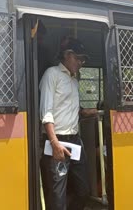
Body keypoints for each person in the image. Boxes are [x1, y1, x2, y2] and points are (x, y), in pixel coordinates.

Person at [39, 37, 94, 210]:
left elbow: (68, 107)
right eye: (78, 58)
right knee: (57, 195)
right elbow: (46, 111)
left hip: (75, 141)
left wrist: (87, 111)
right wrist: (54, 143)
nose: (81, 62)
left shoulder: (74, 80)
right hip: (56, 141)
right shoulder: (52, 74)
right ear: (67, 55)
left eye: (83, 59)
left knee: (84, 190)